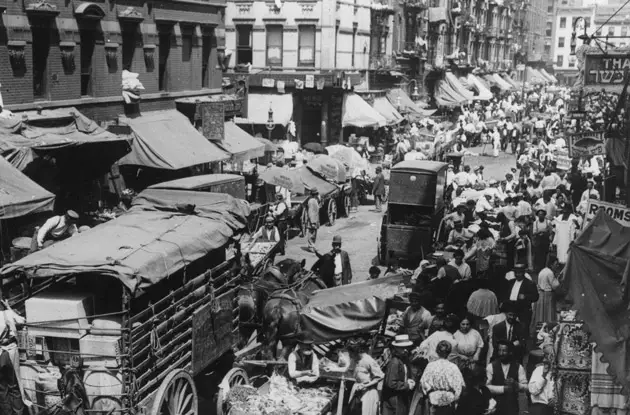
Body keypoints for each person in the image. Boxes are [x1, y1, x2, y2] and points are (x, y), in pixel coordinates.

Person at [420, 341, 465, 415]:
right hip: (448, 405)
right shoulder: (453, 367)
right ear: (449, 352)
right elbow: (460, 387)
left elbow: (423, 384)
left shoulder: (430, 366)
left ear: (437, 351)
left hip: (433, 403)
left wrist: (429, 393)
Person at [486, 341, 528, 415]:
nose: (501, 353)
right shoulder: (491, 366)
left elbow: (526, 387)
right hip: (495, 408)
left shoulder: (519, 367)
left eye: (504, 351)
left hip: (512, 408)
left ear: (510, 352)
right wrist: (503, 389)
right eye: (499, 350)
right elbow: (486, 387)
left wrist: (516, 384)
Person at [0, 299, 26, 415]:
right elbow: (22, 321)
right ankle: (18, 411)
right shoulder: (8, 314)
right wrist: (8, 307)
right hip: (11, 351)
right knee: (14, 385)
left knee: (2, 388)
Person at [347, 340, 384, 415]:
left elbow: (380, 376)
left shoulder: (368, 360)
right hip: (357, 389)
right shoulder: (354, 359)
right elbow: (349, 370)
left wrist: (365, 385)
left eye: (351, 354)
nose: (350, 356)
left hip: (368, 391)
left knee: (365, 412)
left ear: (357, 352)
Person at [382, 335, 416, 415]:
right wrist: (407, 386)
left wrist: (407, 380)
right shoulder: (394, 362)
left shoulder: (403, 359)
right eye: (402, 348)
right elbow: (391, 383)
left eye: (406, 347)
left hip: (400, 398)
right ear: (396, 348)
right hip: (394, 400)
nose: (405, 350)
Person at [503, 263, 539, 337]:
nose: (517, 274)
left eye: (519, 272)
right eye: (516, 273)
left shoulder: (530, 283)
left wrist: (525, 297)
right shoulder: (511, 282)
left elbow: (536, 297)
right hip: (511, 309)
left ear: (523, 273)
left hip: (523, 311)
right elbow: (506, 295)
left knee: (523, 331)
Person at [533, 259, 561, 331]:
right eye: (556, 264)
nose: (557, 266)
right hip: (548, 295)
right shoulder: (550, 273)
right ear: (551, 265)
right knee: (548, 315)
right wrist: (559, 279)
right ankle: (548, 331)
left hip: (541, 294)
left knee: (541, 315)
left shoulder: (543, 271)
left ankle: (539, 331)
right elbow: (555, 285)